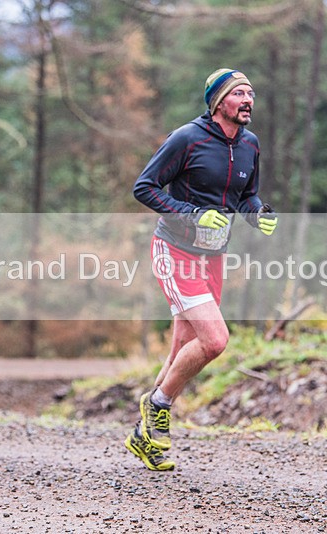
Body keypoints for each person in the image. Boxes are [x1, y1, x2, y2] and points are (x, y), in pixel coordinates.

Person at [125, 68, 278, 470]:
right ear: (218, 102)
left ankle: (144, 438)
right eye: (239, 93)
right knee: (214, 340)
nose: (248, 100)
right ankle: (157, 403)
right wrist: (193, 214)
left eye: (251, 93)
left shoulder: (250, 144)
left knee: (181, 348)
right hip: (175, 251)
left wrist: (258, 214)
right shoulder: (187, 139)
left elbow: (245, 196)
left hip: (213, 256)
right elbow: (144, 187)